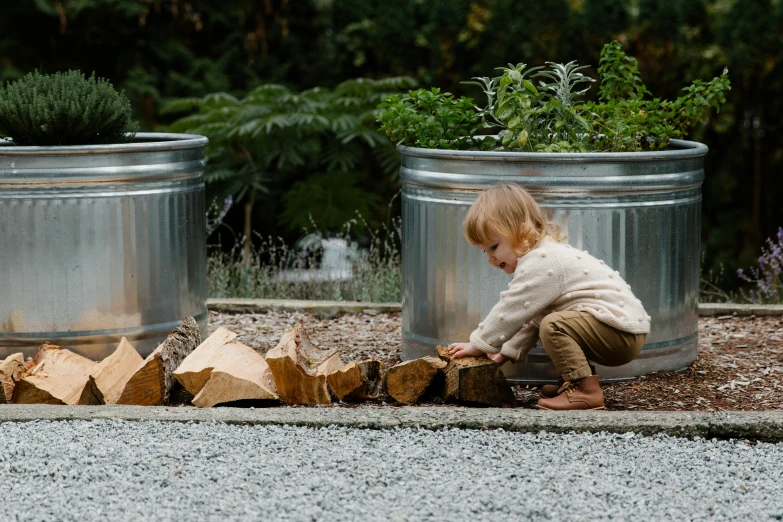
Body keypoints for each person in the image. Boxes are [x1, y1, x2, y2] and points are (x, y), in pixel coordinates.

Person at [447, 183, 650, 410]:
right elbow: (530, 317)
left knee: (554, 325)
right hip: (619, 330)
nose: (490, 258)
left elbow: (511, 308)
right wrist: (504, 352)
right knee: (553, 320)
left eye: (494, 246)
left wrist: (479, 343)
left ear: (520, 230)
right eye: (484, 250)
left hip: (619, 333)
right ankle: (572, 382)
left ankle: (585, 391)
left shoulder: (542, 260)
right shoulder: (542, 257)